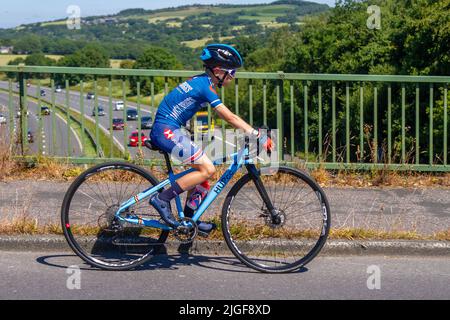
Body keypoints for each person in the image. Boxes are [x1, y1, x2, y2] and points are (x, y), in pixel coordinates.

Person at [149, 43, 272, 236]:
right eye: (231, 72)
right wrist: (256, 134)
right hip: (165, 130)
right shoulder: (204, 87)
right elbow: (229, 117)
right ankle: (162, 199)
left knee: (203, 177)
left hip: (170, 128)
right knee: (208, 169)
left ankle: (190, 222)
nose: (233, 76)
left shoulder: (201, 81)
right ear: (217, 71)